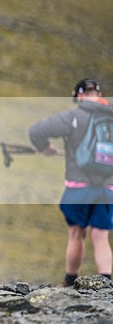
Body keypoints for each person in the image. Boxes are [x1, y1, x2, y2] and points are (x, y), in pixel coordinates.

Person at [29, 78, 113, 287]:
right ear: (99, 96)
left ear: (79, 96)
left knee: (77, 233)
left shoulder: (74, 116)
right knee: (101, 236)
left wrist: (44, 148)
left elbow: (36, 131)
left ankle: (70, 280)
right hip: (107, 189)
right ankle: (106, 284)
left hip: (79, 187)